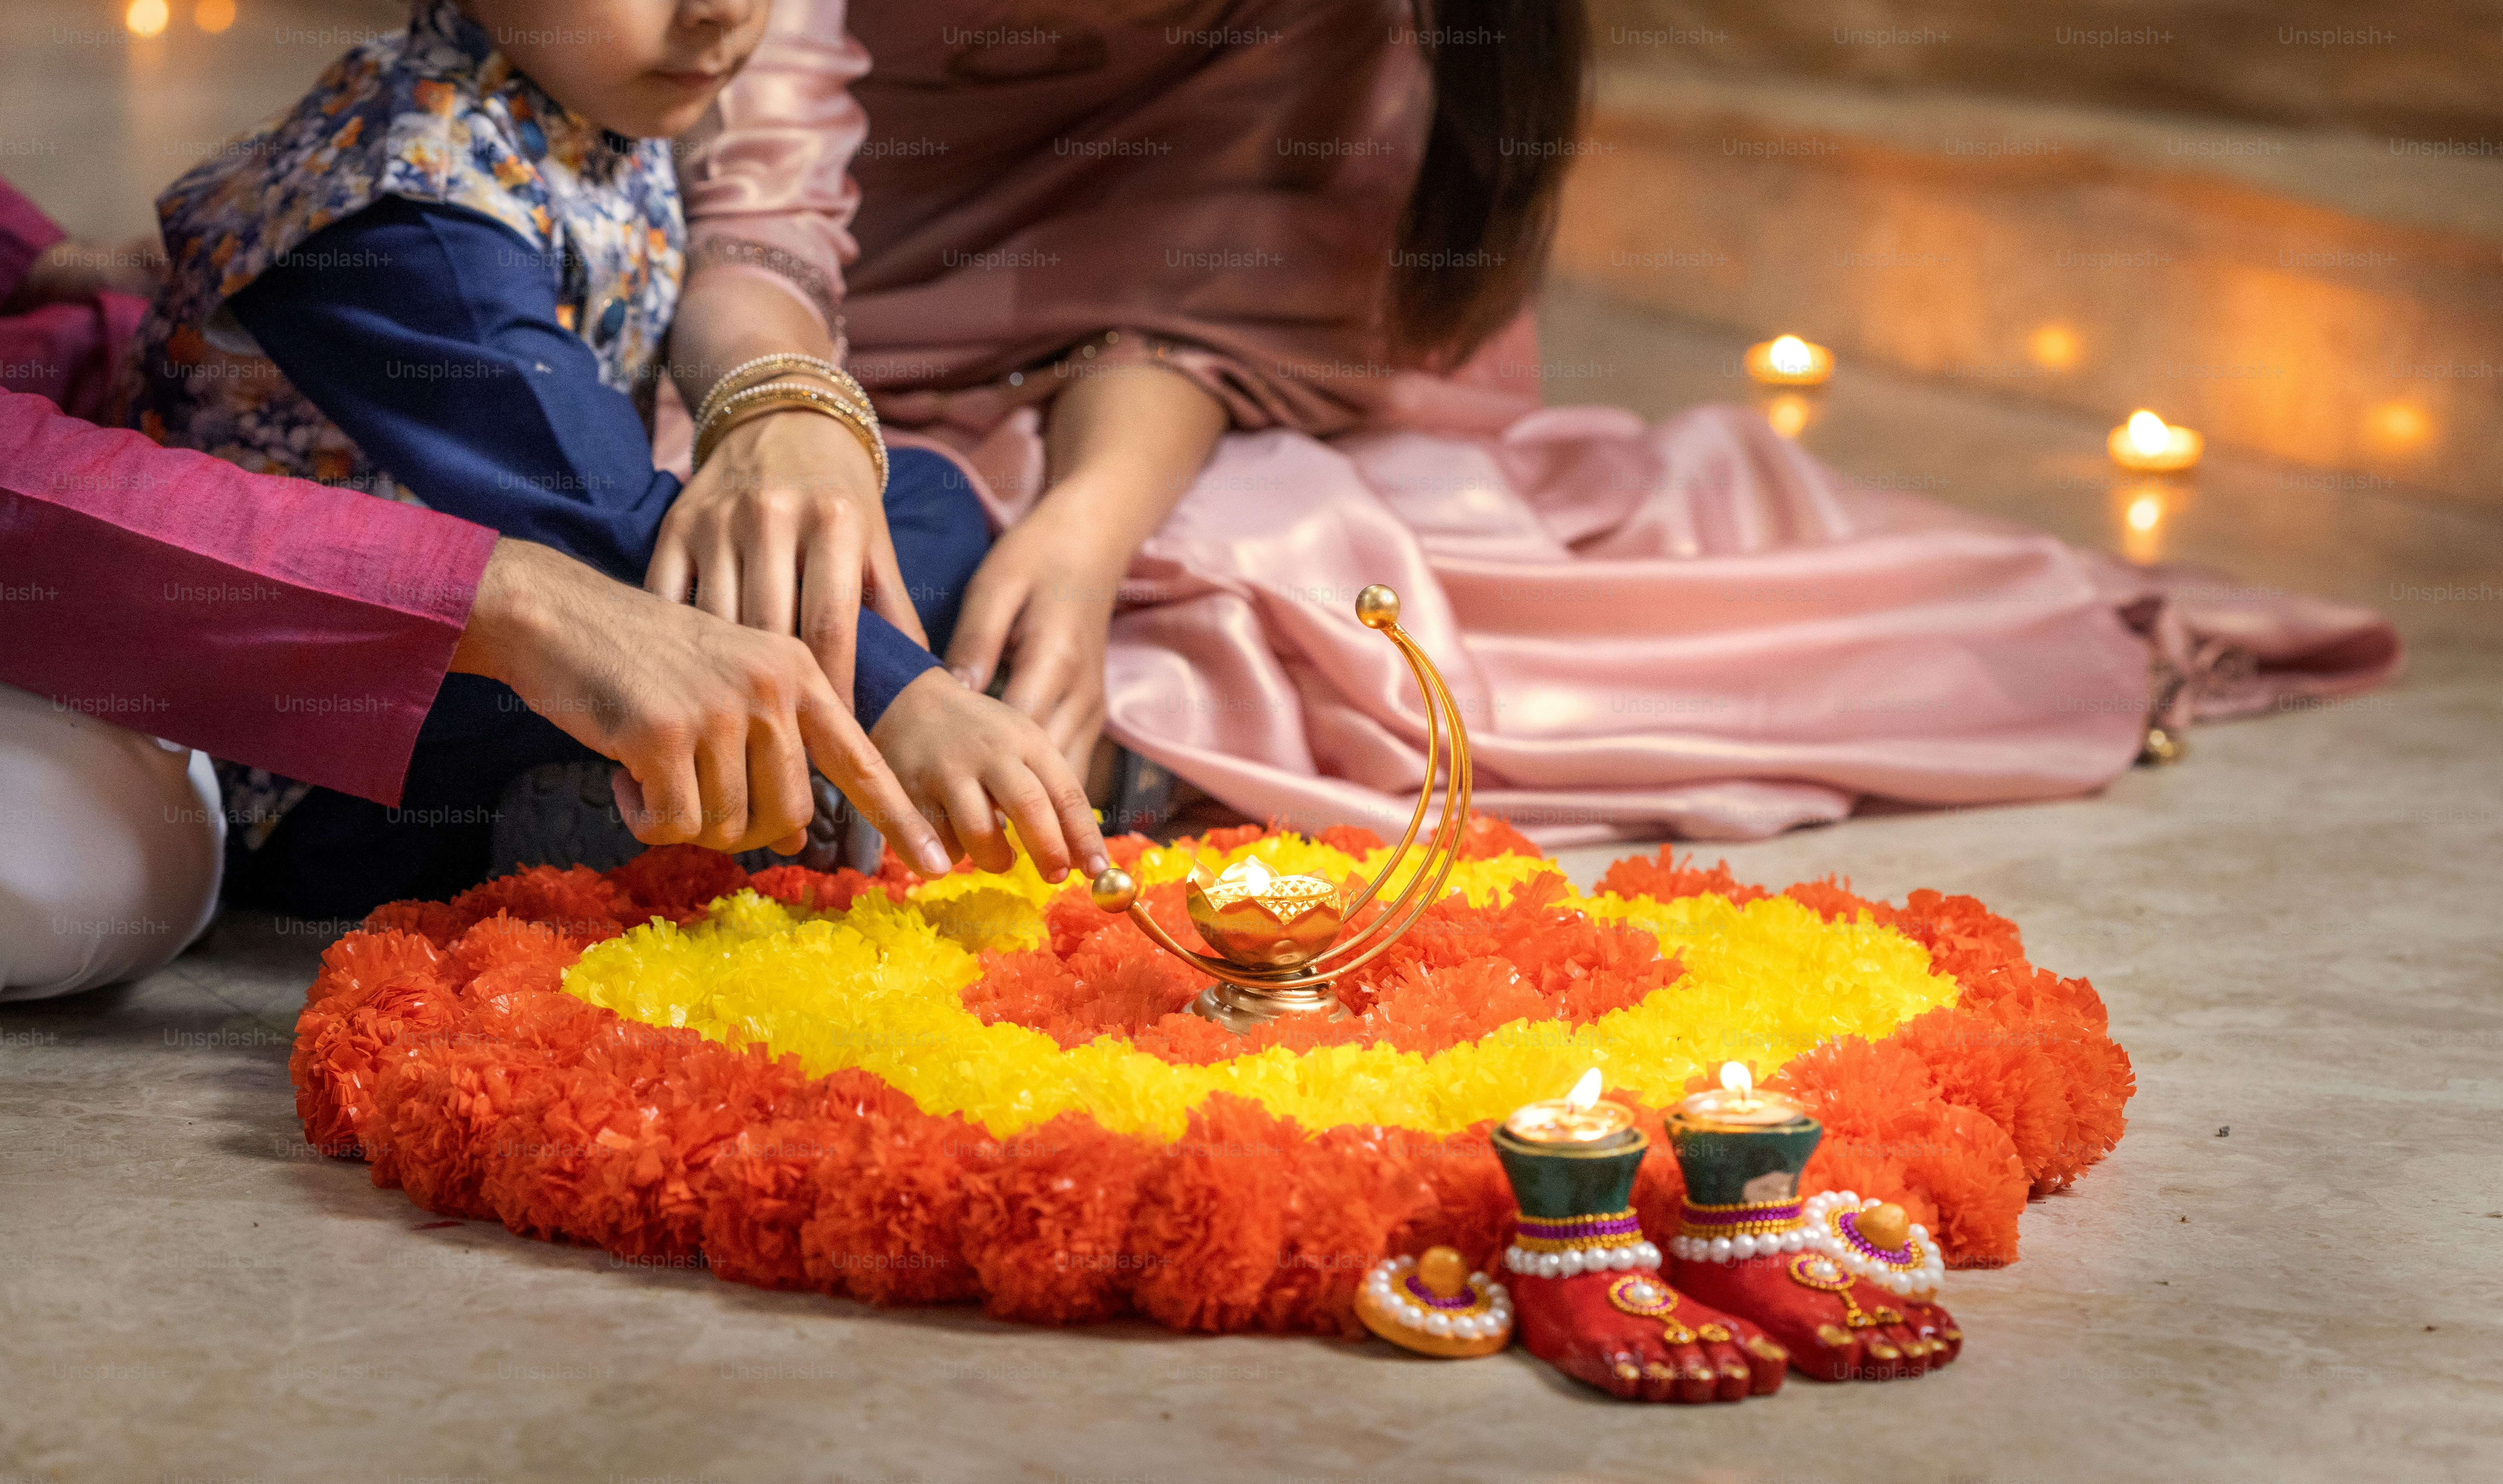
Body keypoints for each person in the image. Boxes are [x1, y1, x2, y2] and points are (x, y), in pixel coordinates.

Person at [664, 0, 2400, 846]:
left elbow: (1201, 256)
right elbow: (751, 195)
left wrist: (1093, 524)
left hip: (1168, 377)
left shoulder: (1357, 39)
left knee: (1308, 586)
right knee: (696, 552)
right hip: (776, 305)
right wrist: (784, 401)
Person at [123, 0, 1097, 916]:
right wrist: (906, 698)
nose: (718, 10)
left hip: (584, 583)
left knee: (918, 500)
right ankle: (666, 813)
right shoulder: (400, 204)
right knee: (810, 578)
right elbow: (594, 524)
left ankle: (722, 779)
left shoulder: (577, 97)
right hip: (333, 771)